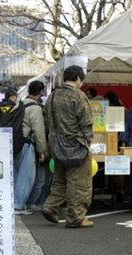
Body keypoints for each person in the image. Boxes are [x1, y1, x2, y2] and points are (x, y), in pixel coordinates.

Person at [42, 65, 94, 228]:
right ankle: (76, 218)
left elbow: (47, 121)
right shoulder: (79, 96)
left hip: (56, 146)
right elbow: (86, 124)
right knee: (78, 184)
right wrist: (87, 143)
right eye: (81, 80)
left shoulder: (52, 96)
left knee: (59, 181)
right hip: (76, 147)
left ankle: (50, 207)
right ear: (78, 78)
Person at [13, 81, 47, 215]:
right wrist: (42, 150)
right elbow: (38, 131)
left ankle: (19, 203)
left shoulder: (19, 104)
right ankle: (19, 205)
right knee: (26, 177)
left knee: (17, 175)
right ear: (41, 92)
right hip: (28, 144)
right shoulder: (35, 108)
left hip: (16, 143)